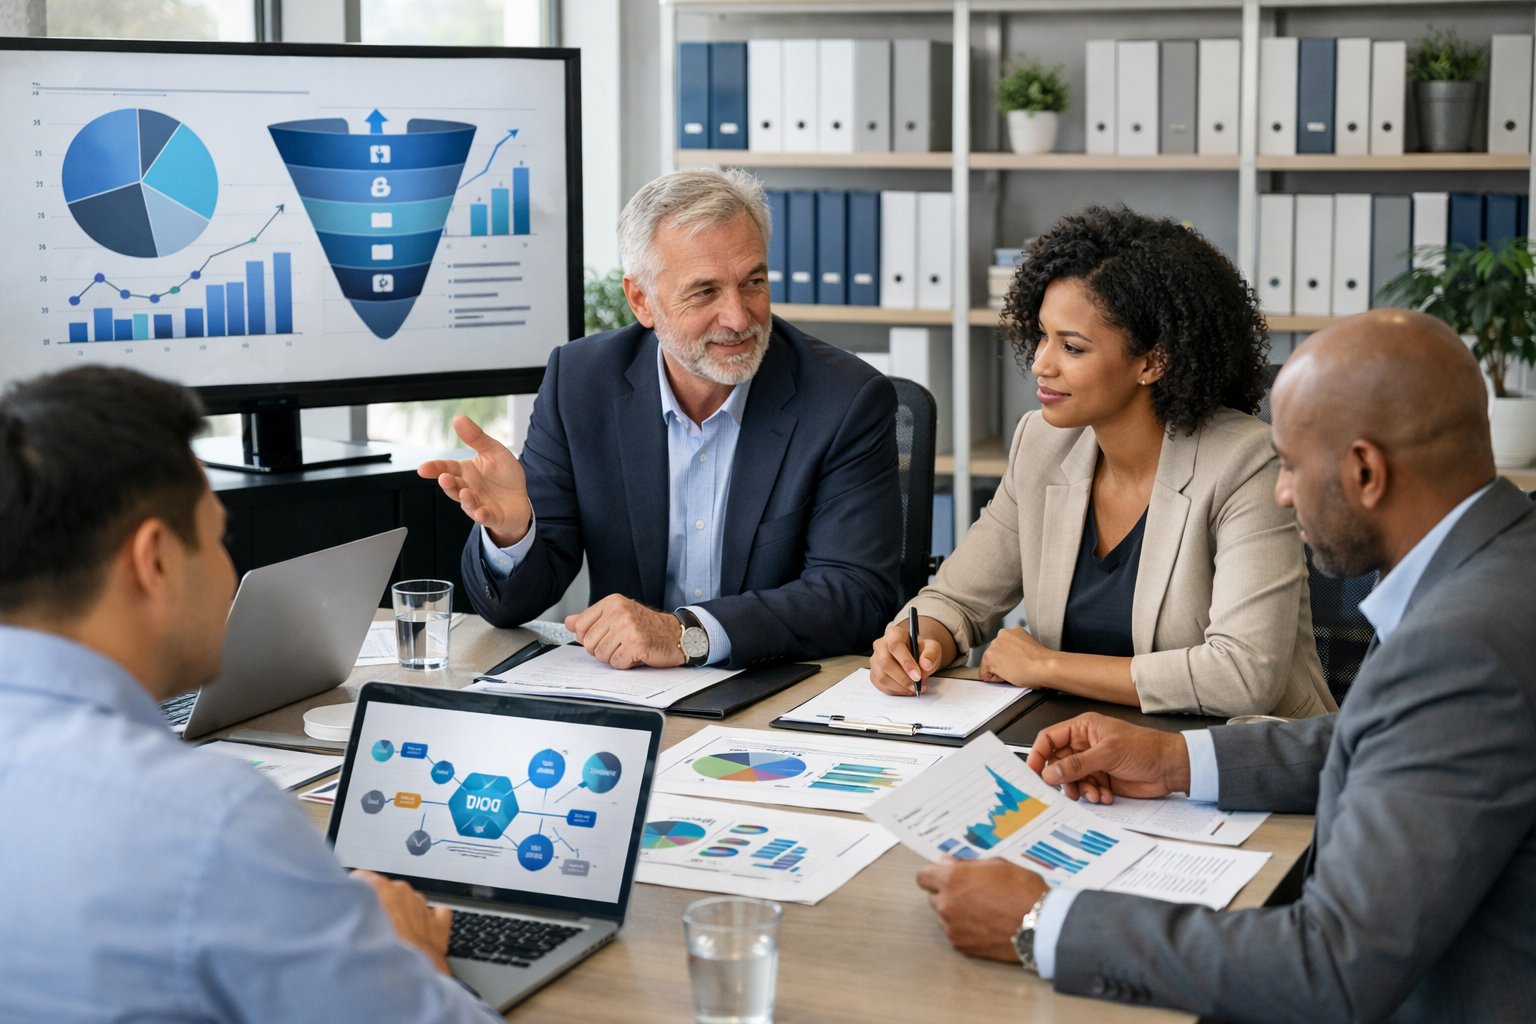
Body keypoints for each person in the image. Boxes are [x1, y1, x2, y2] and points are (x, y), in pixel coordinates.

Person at [914, 309, 1536, 1022]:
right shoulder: (1504, 564)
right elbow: (1391, 737)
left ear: (1366, 471)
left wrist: (1044, 923)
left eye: (1294, 468)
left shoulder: (1461, 645)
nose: (1281, 492)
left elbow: (1330, 968)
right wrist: (1179, 760)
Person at [0, 367, 499, 1022]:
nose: (227, 566)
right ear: (154, 561)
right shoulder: (212, 825)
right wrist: (412, 959)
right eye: (215, 536)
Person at [422, 167, 901, 670]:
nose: (739, 318)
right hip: (630, 694)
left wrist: (686, 634)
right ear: (641, 300)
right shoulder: (581, 382)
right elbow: (512, 606)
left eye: (753, 282)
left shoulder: (845, 398)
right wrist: (513, 534)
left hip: (776, 688)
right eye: (705, 292)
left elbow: (856, 596)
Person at [870, 205, 1332, 719]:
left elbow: (1242, 677)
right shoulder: (1042, 444)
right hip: (1083, 751)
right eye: (1042, 335)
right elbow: (957, 599)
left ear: (1153, 362)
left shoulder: (1247, 463)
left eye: (1072, 346)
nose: (1042, 363)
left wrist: (1048, 667)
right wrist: (918, 640)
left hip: (1239, 762)